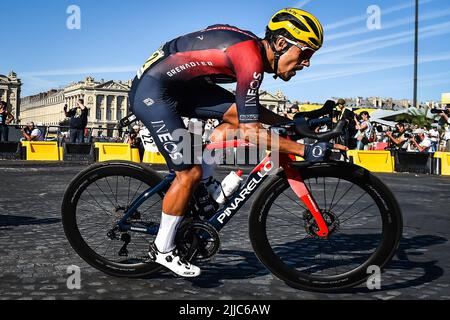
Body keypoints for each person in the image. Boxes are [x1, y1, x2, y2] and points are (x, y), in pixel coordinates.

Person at [130, 8, 343, 277]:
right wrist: (305, 150)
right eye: (305, 53)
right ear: (280, 43)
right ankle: (162, 249)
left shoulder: (249, 52)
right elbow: (251, 133)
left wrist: (289, 122)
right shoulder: (249, 60)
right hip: (154, 92)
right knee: (189, 172)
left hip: (181, 86)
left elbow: (246, 110)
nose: (307, 62)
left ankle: (205, 184)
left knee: (232, 118)